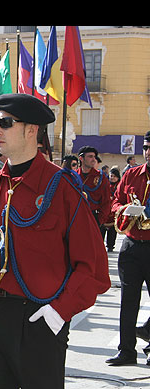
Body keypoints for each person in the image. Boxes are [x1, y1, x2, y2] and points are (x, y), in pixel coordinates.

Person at [0, 93, 110, 389]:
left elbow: (94, 267)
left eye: (4, 123)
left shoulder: (62, 186)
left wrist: (58, 313)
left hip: (39, 319)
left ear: (31, 131)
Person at [107, 131, 150, 366]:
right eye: (146, 147)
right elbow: (115, 201)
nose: (148, 152)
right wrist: (123, 209)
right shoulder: (132, 174)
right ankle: (126, 351)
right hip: (132, 244)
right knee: (128, 301)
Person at [76, 145, 112, 229]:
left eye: (94, 157)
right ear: (81, 158)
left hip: (93, 217)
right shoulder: (73, 176)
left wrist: (100, 220)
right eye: (90, 157)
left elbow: (106, 201)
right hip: (75, 217)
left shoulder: (101, 178)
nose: (93, 159)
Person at [101, 167, 121, 252]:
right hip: (105, 210)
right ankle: (100, 245)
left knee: (112, 231)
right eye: (111, 176)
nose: (112, 178)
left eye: (114, 176)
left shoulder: (119, 186)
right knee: (101, 229)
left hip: (114, 212)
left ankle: (110, 245)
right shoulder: (105, 184)